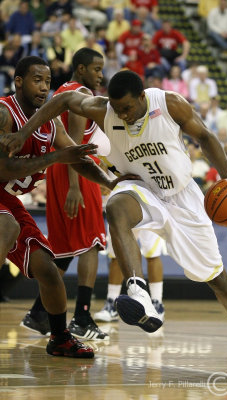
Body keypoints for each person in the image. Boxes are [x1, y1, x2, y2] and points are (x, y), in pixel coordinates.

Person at [0, 70, 227, 363]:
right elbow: (66, 99)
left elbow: (206, 137)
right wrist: (24, 132)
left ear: (142, 97)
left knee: (215, 277)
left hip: (182, 196)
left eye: (128, 109)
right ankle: (137, 288)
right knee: (116, 207)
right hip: (141, 189)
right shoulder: (104, 110)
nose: (123, 115)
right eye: (118, 109)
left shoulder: (170, 103)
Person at [0, 56, 115, 358]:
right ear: (19, 82)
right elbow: (3, 168)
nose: (43, 88)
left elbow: (76, 157)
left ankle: (60, 338)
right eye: (37, 80)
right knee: (7, 227)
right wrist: (54, 159)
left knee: (49, 271)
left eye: (48, 82)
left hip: (6, 199)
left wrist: (111, 182)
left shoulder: (49, 124)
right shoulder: (4, 113)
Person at [94, 229, 165, 322]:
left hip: (149, 215)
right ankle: (112, 304)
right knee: (117, 254)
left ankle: (157, 303)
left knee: (152, 253)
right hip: (122, 215)